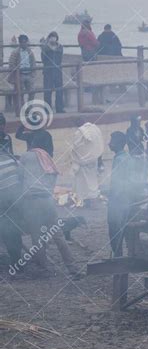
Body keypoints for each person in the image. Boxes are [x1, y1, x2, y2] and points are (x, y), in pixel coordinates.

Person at [18, 134, 79, 276]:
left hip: (32, 202)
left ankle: (44, 268)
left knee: (37, 237)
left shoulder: (26, 156)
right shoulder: (48, 159)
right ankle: (72, 267)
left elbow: (20, 176)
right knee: (58, 235)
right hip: (47, 201)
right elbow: (53, 179)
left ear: (33, 142)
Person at [107, 131, 134, 257]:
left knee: (114, 230)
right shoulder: (127, 157)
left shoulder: (119, 159)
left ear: (118, 144)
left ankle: (117, 258)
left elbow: (118, 183)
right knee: (121, 229)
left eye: (111, 141)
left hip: (118, 201)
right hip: (126, 199)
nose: (109, 144)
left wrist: (111, 197)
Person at [70, 118, 104, 206]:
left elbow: (76, 147)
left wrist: (77, 158)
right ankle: (91, 199)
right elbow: (99, 143)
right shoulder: (95, 129)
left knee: (83, 183)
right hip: (93, 160)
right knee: (92, 181)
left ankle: (85, 201)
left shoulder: (79, 133)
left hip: (83, 162)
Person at [0, 146, 23, 270]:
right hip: (16, 199)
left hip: (3, 201)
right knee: (14, 230)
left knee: (6, 230)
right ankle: (18, 260)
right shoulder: (10, 159)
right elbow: (20, 177)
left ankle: (15, 262)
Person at [41, 31, 64, 114]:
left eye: (54, 37)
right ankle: (47, 109)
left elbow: (60, 59)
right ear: (49, 38)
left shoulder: (60, 47)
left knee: (59, 90)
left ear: (57, 38)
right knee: (47, 91)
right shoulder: (45, 47)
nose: (53, 38)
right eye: (51, 36)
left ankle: (60, 108)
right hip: (48, 71)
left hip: (58, 71)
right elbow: (43, 59)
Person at [8, 34, 36, 104]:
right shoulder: (15, 52)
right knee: (20, 93)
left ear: (27, 42)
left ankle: (29, 108)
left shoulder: (30, 51)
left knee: (32, 91)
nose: (24, 44)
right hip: (20, 75)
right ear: (20, 43)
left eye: (25, 42)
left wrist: (33, 73)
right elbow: (11, 63)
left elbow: (33, 62)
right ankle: (23, 108)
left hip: (29, 74)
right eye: (22, 42)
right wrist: (16, 73)